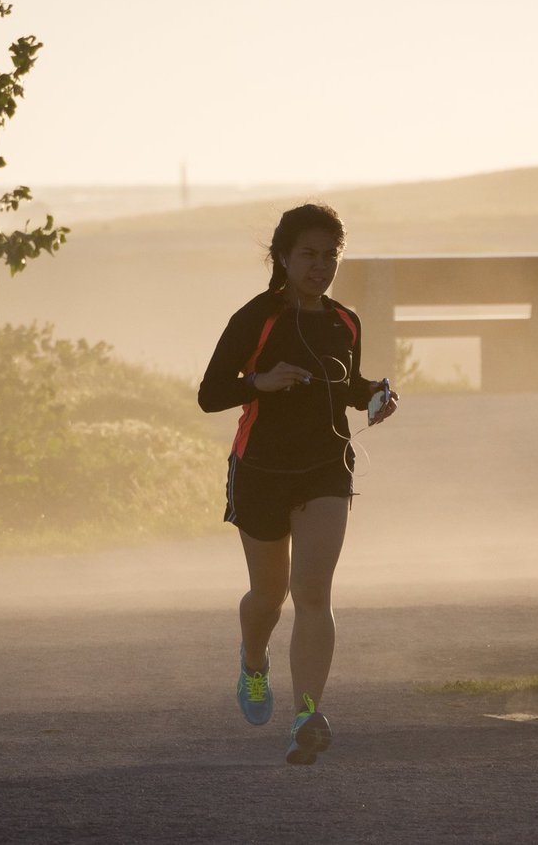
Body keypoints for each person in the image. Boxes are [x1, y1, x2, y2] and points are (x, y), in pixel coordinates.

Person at [197, 203, 397, 765]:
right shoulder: (257, 317)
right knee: (270, 595)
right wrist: (260, 381)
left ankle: (307, 715)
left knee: (312, 593)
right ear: (282, 257)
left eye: (330, 255)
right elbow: (211, 393)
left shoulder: (345, 320)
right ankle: (254, 660)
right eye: (308, 254)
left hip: (326, 468)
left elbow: (346, 384)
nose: (320, 266)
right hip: (260, 470)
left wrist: (377, 396)